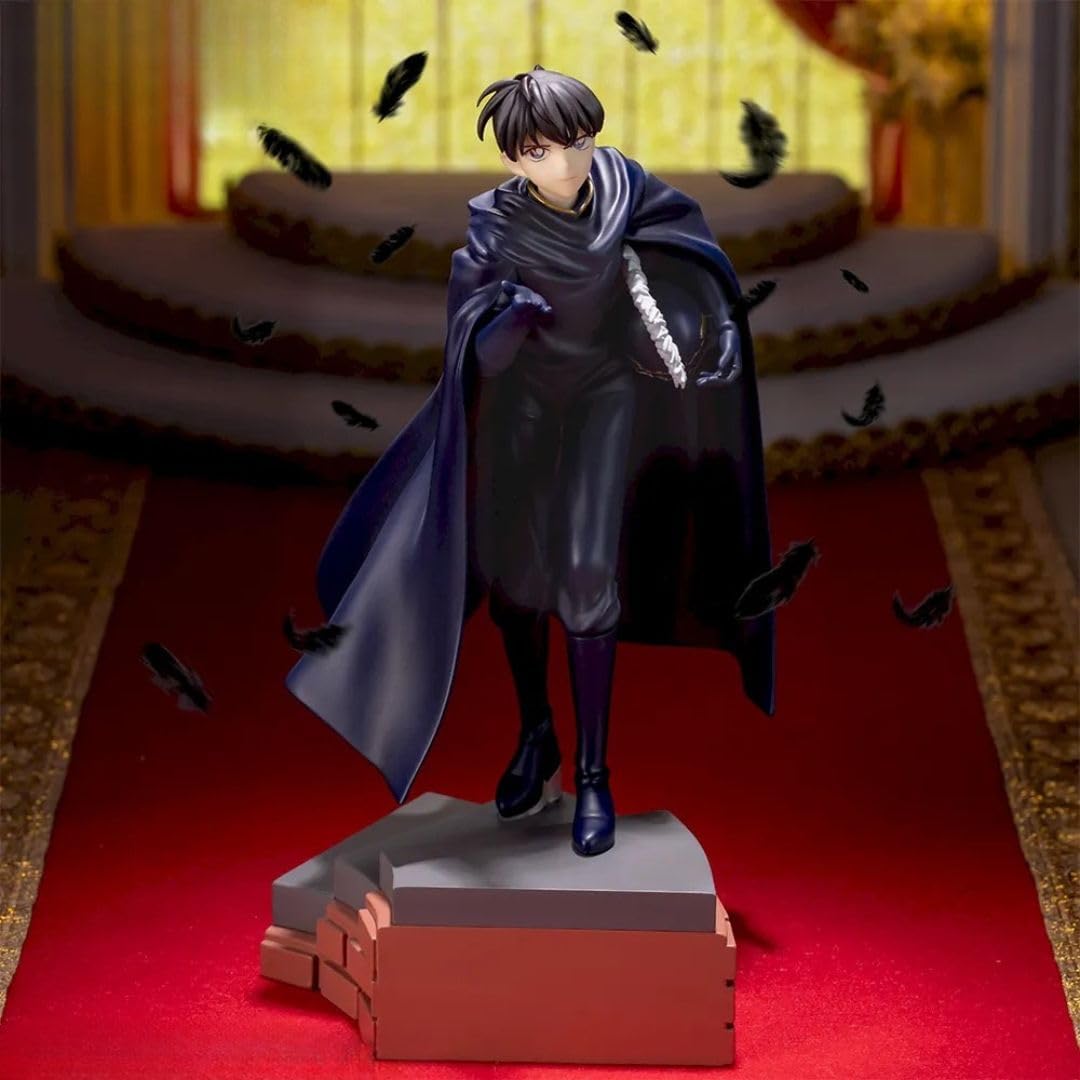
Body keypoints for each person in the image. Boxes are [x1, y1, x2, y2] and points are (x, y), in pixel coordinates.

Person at [286, 66, 775, 858]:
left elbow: (693, 250)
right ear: (515, 158)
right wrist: (508, 321)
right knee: (516, 582)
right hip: (521, 407)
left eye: (578, 141)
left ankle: (593, 773)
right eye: (544, 152)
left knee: (586, 578)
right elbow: (473, 348)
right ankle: (536, 731)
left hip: (604, 398)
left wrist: (712, 325)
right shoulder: (495, 227)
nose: (568, 163)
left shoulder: (624, 185)